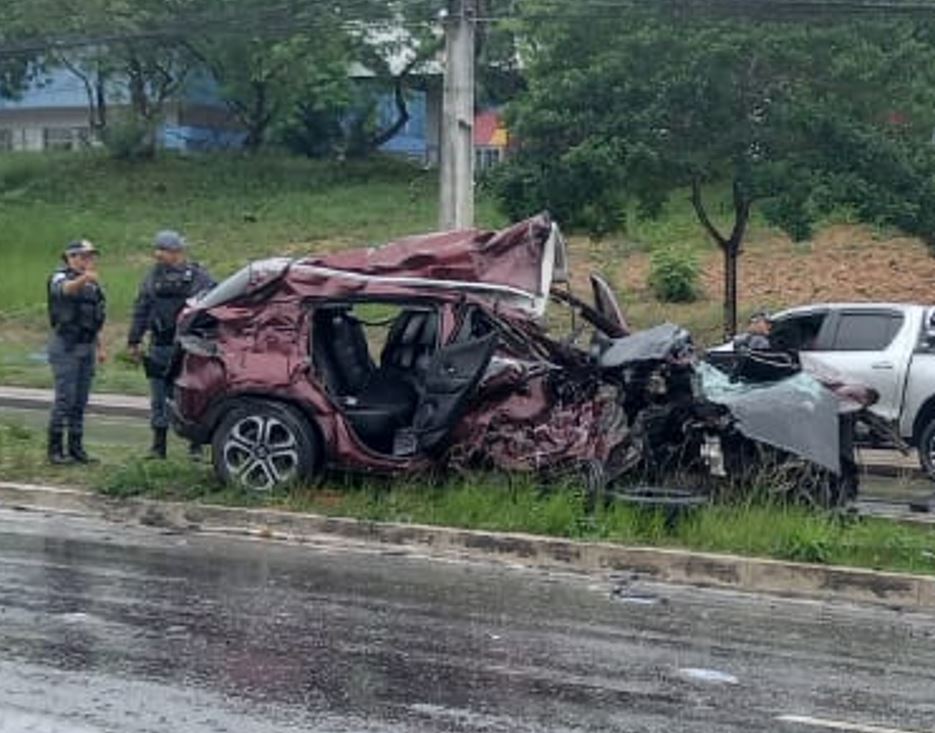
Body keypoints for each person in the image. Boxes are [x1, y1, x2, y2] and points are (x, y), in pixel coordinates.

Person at [128, 231, 215, 459]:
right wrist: (134, 340)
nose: (158, 254)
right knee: (159, 397)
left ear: (177, 252)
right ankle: (158, 446)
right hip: (160, 345)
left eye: (163, 250)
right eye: (157, 249)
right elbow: (141, 309)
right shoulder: (151, 278)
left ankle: (195, 447)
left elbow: (211, 307)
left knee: (191, 395)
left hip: (189, 347)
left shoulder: (198, 276)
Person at [47, 239, 107, 465]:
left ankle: (76, 448)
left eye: (90, 256)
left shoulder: (93, 285)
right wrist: (84, 278)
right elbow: (65, 291)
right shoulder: (60, 277)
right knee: (65, 399)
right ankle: (54, 449)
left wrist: (100, 347)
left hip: (87, 345)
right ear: (70, 257)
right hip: (65, 346)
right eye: (83, 256)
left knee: (81, 400)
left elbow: (95, 317)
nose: (87, 261)